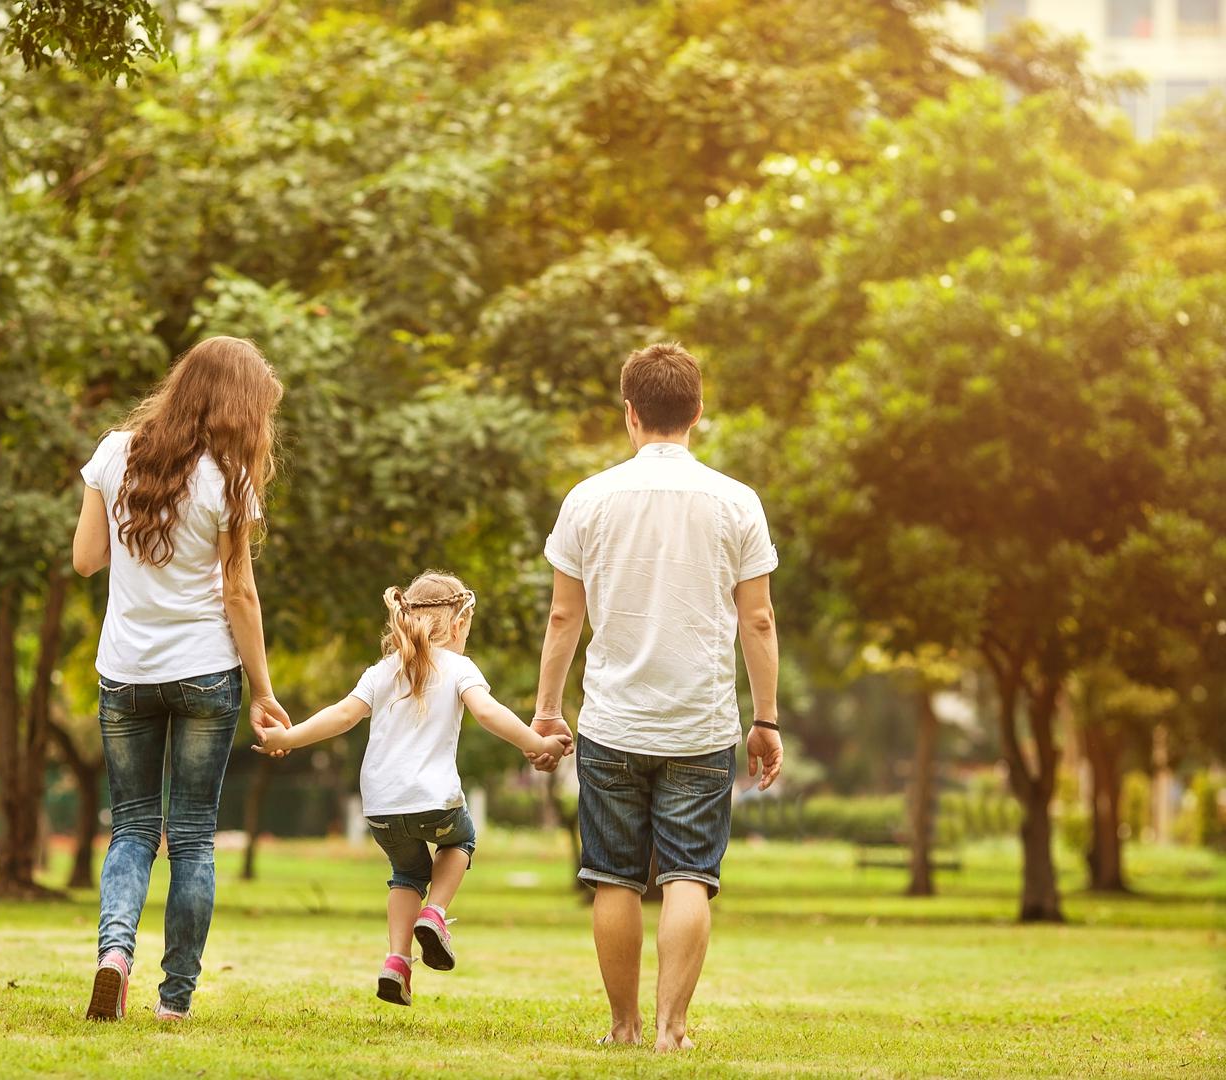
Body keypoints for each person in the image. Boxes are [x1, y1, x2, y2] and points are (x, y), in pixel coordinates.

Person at [527, 341, 784, 1052]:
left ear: (630, 414)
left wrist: (548, 710)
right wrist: (766, 719)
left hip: (612, 721)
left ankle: (623, 1027)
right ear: (698, 413)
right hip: (702, 725)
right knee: (688, 877)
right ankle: (672, 1033)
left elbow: (562, 617)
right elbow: (758, 619)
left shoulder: (588, 499)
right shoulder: (737, 502)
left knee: (612, 877)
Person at [71, 336, 290, 1022]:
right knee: (192, 835)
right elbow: (240, 595)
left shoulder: (115, 451)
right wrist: (264, 691)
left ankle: (113, 955)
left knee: (133, 827)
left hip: (125, 671)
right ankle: (174, 1001)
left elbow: (85, 560)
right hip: (204, 673)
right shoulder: (230, 479)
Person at [251, 571, 570, 1007]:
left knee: (406, 874)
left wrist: (286, 739)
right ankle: (435, 914)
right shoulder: (459, 667)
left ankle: (397, 961)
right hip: (434, 802)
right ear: (459, 625)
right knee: (463, 840)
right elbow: (490, 713)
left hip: (380, 807)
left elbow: (342, 715)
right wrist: (537, 745)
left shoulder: (383, 670)